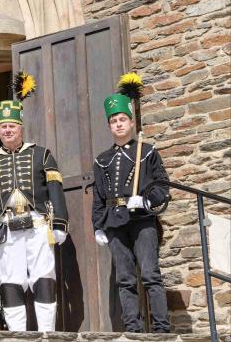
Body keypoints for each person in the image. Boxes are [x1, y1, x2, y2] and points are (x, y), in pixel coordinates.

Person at [0, 99, 69, 331]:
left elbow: (55, 189)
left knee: (44, 278)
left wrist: (59, 223)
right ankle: (17, 334)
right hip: (5, 228)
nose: (8, 130)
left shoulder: (42, 154)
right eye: (3, 127)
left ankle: (47, 333)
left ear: (21, 128)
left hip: (38, 225)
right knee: (10, 281)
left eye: (12, 126)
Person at [92, 90, 170, 333]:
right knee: (124, 279)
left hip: (142, 220)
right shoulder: (102, 160)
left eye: (122, 119)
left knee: (150, 274)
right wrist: (98, 226)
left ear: (131, 121)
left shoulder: (146, 151)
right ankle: (132, 329)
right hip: (115, 222)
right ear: (109, 125)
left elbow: (163, 186)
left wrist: (146, 200)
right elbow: (98, 197)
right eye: (113, 121)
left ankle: (161, 328)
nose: (118, 124)